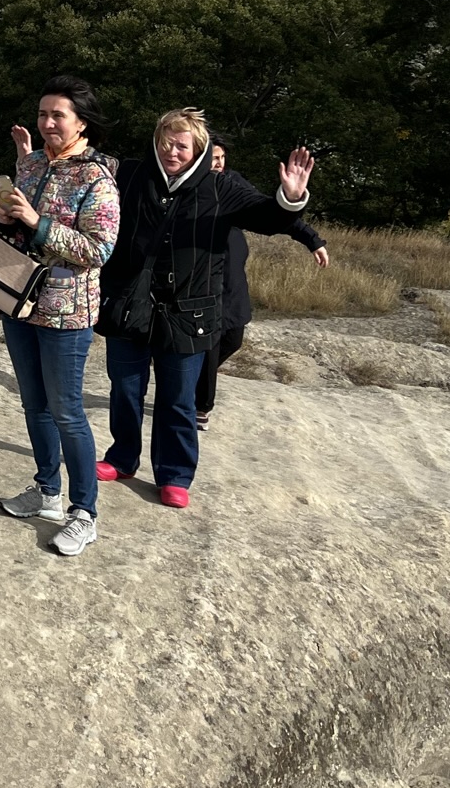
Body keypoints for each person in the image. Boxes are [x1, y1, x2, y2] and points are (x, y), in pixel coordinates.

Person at [96, 107, 315, 507]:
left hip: (190, 313)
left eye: (181, 145)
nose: (172, 152)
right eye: (166, 143)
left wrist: (291, 198)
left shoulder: (220, 187)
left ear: (199, 149)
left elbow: (267, 216)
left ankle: (175, 475)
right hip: (131, 304)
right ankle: (122, 458)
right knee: (125, 390)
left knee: (178, 398)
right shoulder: (129, 174)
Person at [0, 77, 121, 559]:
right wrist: (9, 217)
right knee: (34, 403)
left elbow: (99, 250)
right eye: (43, 114)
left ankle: (83, 512)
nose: (47, 123)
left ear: (81, 122)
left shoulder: (96, 178)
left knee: (67, 409)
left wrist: (37, 223)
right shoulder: (31, 165)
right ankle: (48, 492)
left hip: (67, 309)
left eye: (57, 116)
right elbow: (20, 224)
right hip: (19, 297)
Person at [196, 135, 329, 427]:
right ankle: (199, 406)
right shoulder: (192, 188)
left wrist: (311, 239)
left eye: (221, 158)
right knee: (209, 341)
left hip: (232, 277)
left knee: (233, 338)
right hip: (203, 278)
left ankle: (187, 378)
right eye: (211, 158)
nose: (217, 164)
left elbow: (269, 213)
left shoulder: (231, 183)